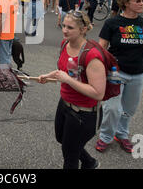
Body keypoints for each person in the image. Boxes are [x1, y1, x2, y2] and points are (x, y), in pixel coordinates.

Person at [95, 0, 143, 153]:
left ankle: (121, 135)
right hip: (116, 72)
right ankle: (105, 137)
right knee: (112, 108)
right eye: (138, 1)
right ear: (126, 3)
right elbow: (101, 48)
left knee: (128, 109)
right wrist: (99, 70)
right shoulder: (112, 23)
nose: (142, 3)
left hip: (139, 72)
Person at [38, 11, 106, 169]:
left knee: (69, 155)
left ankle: (88, 163)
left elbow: (98, 93)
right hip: (65, 105)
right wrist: (49, 76)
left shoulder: (92, 55)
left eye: (70, 27)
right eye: (63, 26)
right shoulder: (65, 44)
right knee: (62, 139)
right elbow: (64, 72)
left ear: (83, 29)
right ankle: (90, 162)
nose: (64, 30)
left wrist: (68, 80)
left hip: (84, 114)